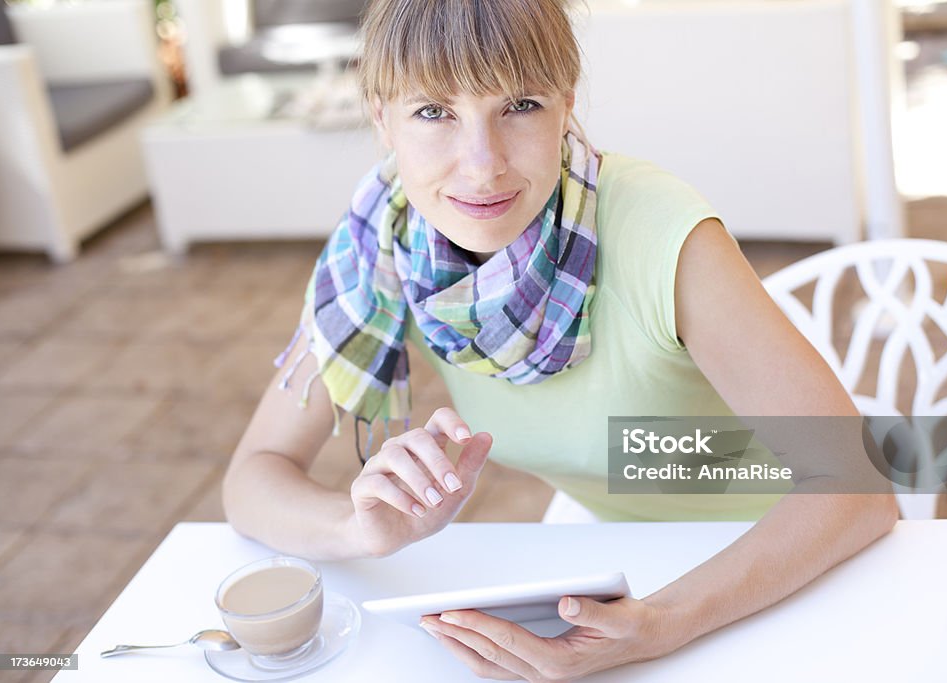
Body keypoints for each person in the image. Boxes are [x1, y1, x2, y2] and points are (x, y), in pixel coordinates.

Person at [222, 0, 898, 679]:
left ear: (567, 103)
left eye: (520, 104)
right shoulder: (384, 245)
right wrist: (356, 528)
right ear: (381, 117)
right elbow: (253, 478)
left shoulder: (658, 232)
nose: (482, 165)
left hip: (784, 562)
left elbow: (857, 486)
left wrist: (660, 623)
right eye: (434, 112)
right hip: (623, 569)